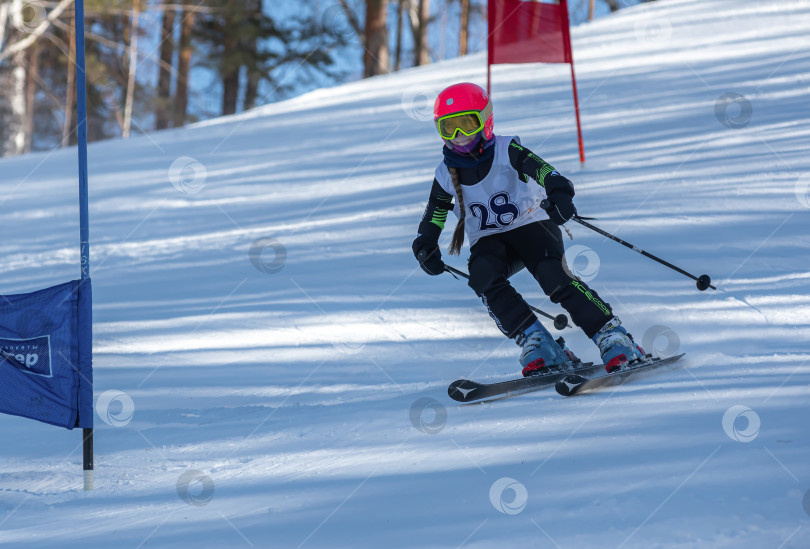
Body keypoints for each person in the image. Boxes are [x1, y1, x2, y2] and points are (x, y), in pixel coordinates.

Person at [411, 82, 645, 376]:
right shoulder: (445, 173)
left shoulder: (506, 150)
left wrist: (560, 194)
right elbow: (435, 211)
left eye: (466, 124)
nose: (459, 136)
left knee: (551, 273)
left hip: (533, 226)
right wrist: (425, 242)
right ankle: (538, 342)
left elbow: (545, 172)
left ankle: (612, 335)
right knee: (483, 275)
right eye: (449, 128)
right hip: (489, 240)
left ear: (485, 121)